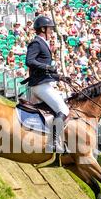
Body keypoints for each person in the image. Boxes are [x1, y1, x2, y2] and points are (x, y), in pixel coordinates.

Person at [24, 16, 71, 153]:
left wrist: (60, 77)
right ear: (43, 29)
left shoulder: (43, 43)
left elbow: (44, 69)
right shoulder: (37, 43)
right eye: (50, 29)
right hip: (40, 86)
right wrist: (47, 67)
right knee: (63, 110)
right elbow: (29, 61)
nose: (52, 31)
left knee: (51, 112)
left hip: (43, 83)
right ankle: (53, 143)